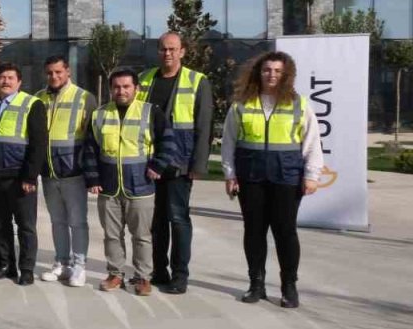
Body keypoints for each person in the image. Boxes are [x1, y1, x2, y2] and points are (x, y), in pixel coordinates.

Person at [223, 51, 324, 309]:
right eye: (267, 70)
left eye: (277, 71)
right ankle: (256, 284)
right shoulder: (242, 104)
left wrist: (312, 176)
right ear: (259, 72)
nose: (271, 75)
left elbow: (312, 142)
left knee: (285, 232)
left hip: (287, 178)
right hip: (251, 177)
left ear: (286, 74)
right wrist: (229, 173)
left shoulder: (299, 104)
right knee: (254, 232)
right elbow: (229, 142)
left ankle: (289, 286)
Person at [86, 69, 174, 296]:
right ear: (111, 89)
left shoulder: (151, 112)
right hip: (108, 186)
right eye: (116, 87)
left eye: (126, 86)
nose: (121, 91)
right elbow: (90, 150)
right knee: (112, 235)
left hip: (141, 186)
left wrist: (158, 165)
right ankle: (115, 274)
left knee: (142, 236)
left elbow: (168, 142)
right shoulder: (99, 114)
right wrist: (93, 178)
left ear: (136, 88)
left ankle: (143, 277)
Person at [138, 31, 213, 295]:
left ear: (182, 51)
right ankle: (159, 271)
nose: (167, 53)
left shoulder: (197, 81)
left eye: (172, 49)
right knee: (155, 221)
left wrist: (198, 165)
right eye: (162, 49)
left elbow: (204, 126)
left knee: (178, 219)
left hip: (180, 163)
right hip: (149, 162)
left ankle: (180, 275)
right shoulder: (144, 79)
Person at [0, 63, 47, 285]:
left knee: (26, 225)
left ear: (19, 82)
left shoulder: (32, 104)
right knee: (0, 225)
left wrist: (30, 177)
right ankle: (5, 265)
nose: (5, 81)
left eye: (10, 77)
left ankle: (26, 268)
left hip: (19, 177)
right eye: (2, 77)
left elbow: (39, 144)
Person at [35, 55, 96, 287]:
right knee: (57, 221)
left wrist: (91, 174)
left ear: (68, 71)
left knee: (77, 222)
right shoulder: (39, 98)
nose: (54, 76)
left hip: (74, 173)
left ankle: (79, 266)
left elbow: (92, 138)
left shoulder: (84, 98)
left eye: (58, 72)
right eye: (50, 73)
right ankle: (61, 263)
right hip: (49, 173)